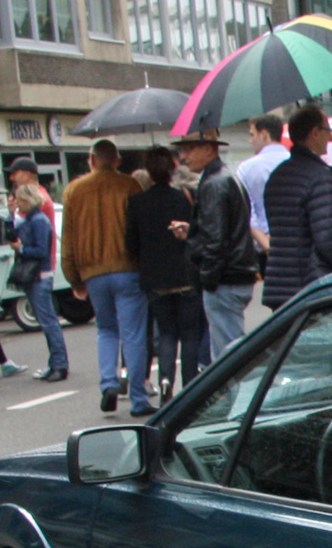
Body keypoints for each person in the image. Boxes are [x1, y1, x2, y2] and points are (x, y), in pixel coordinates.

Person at [61, 138, 151, 416]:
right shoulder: (130, 186)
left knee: (106, 329)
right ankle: (138, 398)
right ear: (118, 161)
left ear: (91, 160)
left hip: (93, 273)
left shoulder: (74, 190)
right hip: (128, 269)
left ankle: (108, 383)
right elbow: (142, 230)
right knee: (134, 334)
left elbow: (68, 237)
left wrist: (74, 277)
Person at [125, 146, 203, 404]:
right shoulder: (182, 197)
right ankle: (191, 386)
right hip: (184, 275)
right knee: (190, 334)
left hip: (155, 278)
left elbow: (131, 244)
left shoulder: (136, 203)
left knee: (167, 333)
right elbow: (194, 235)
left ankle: (165, 381)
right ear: (171, 169)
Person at [262, 106, 332, 311]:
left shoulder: (277, 176)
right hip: (310, 285)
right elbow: (327, 239)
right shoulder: (319, 176)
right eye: (327, 131)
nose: (330, 138)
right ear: (314, 132)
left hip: (279, 284)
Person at [180, 128, 260, 357]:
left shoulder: (214, 183)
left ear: (208, 148)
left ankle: (239, 394)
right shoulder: (225, 178)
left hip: (225, 278)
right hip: (234, 274)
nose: (185, 156)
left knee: (228, 356)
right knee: (228, 350)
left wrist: (208, 278)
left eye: (189, 149)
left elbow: (216, 239)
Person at [12, 183, 68, 383]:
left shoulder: (38, 221)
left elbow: (41, 250)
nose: (17, 204)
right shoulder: (33, 219)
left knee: (48, 321)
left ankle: (60, 364)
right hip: (36, 276)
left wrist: (22, 248)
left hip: (40, 276)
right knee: (46, 321)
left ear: (27, 200)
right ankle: (55, 363)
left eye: (19, 200)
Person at [238, 113, 287, 255]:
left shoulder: (246, 168)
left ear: (264, 134)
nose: (250, 141)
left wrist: (266, 244)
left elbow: (248, 213)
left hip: (263, 244)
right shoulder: (297, 163)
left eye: (252, 135)